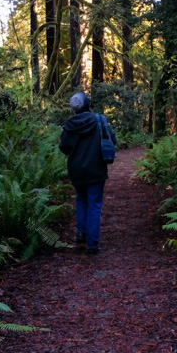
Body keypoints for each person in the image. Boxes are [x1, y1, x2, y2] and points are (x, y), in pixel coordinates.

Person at [58, 92, 117, 255]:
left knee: (81, 200)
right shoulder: (98, 120)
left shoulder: (69, 125)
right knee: (94, 205)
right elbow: (112, 139)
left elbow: (63, 147)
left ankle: (81, 233)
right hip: (96, 169)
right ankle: (92, 244)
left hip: (76, 170)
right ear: (87, 104)